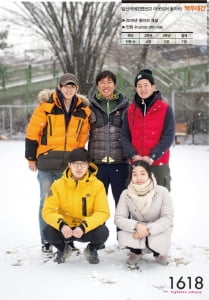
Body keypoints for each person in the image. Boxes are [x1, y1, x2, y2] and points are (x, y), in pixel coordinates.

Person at [25, 73, 91, 256]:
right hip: (47, 164)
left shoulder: (83, 111)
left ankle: (67, 241)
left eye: (72, 86)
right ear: (59, 87)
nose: (69, 89)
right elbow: (33, 133)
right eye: (65, 86)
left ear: (77, 89)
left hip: (68, 168)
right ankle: (46, 241)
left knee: (68, 205)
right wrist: (31, 157)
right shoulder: (46, 107)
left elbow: (82, 139)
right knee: (46, 202)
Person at [42, 148, 110, 264]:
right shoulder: (57, 185)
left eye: (83, 164)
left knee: (103, 232)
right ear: (69, 164)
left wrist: (84, 226)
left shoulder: (97, 185)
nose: (79, 167)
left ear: (88, 165)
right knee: (48, 231)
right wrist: (62, 225)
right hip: (65, 229)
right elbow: (48, 211)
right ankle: (63, 249)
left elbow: (103, 212)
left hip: (85, 229)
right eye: (75, 164)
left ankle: (91, 250)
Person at [120, 69, 175, 191]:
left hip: (158, 165)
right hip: (136, 165)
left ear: (153, 86)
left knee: (160, 203)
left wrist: (152, 157)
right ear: (135, 88)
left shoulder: (165, 109)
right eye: (139, 86)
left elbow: (168, 137)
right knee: (137, 204)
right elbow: (124, 136)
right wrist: (133, 155)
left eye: (146, 85)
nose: (143, 89)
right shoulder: (130, 111)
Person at [115, 160, 174, 269]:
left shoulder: (162, 191)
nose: (139, 178)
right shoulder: (126, 193)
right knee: (125, 233)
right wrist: (136, 226)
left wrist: (147, 229)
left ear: (149, 175)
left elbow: (168, 217)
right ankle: (136, 252)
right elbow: (119, 218)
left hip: (156, 227)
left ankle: (159, 253)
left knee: (159, 238)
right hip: (138, 228)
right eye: (135, 174)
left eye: (143, 173)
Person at [88, 70, 129, 207]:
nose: (106, 85)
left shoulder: (125, 106)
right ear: (97, 86)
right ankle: (99, 230)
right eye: (102, 82)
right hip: (97, 165)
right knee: (96, 207)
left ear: (115, 85)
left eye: (109, 82)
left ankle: (123, 229)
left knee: (123, 207)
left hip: (120, 164)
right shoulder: (89, 107)